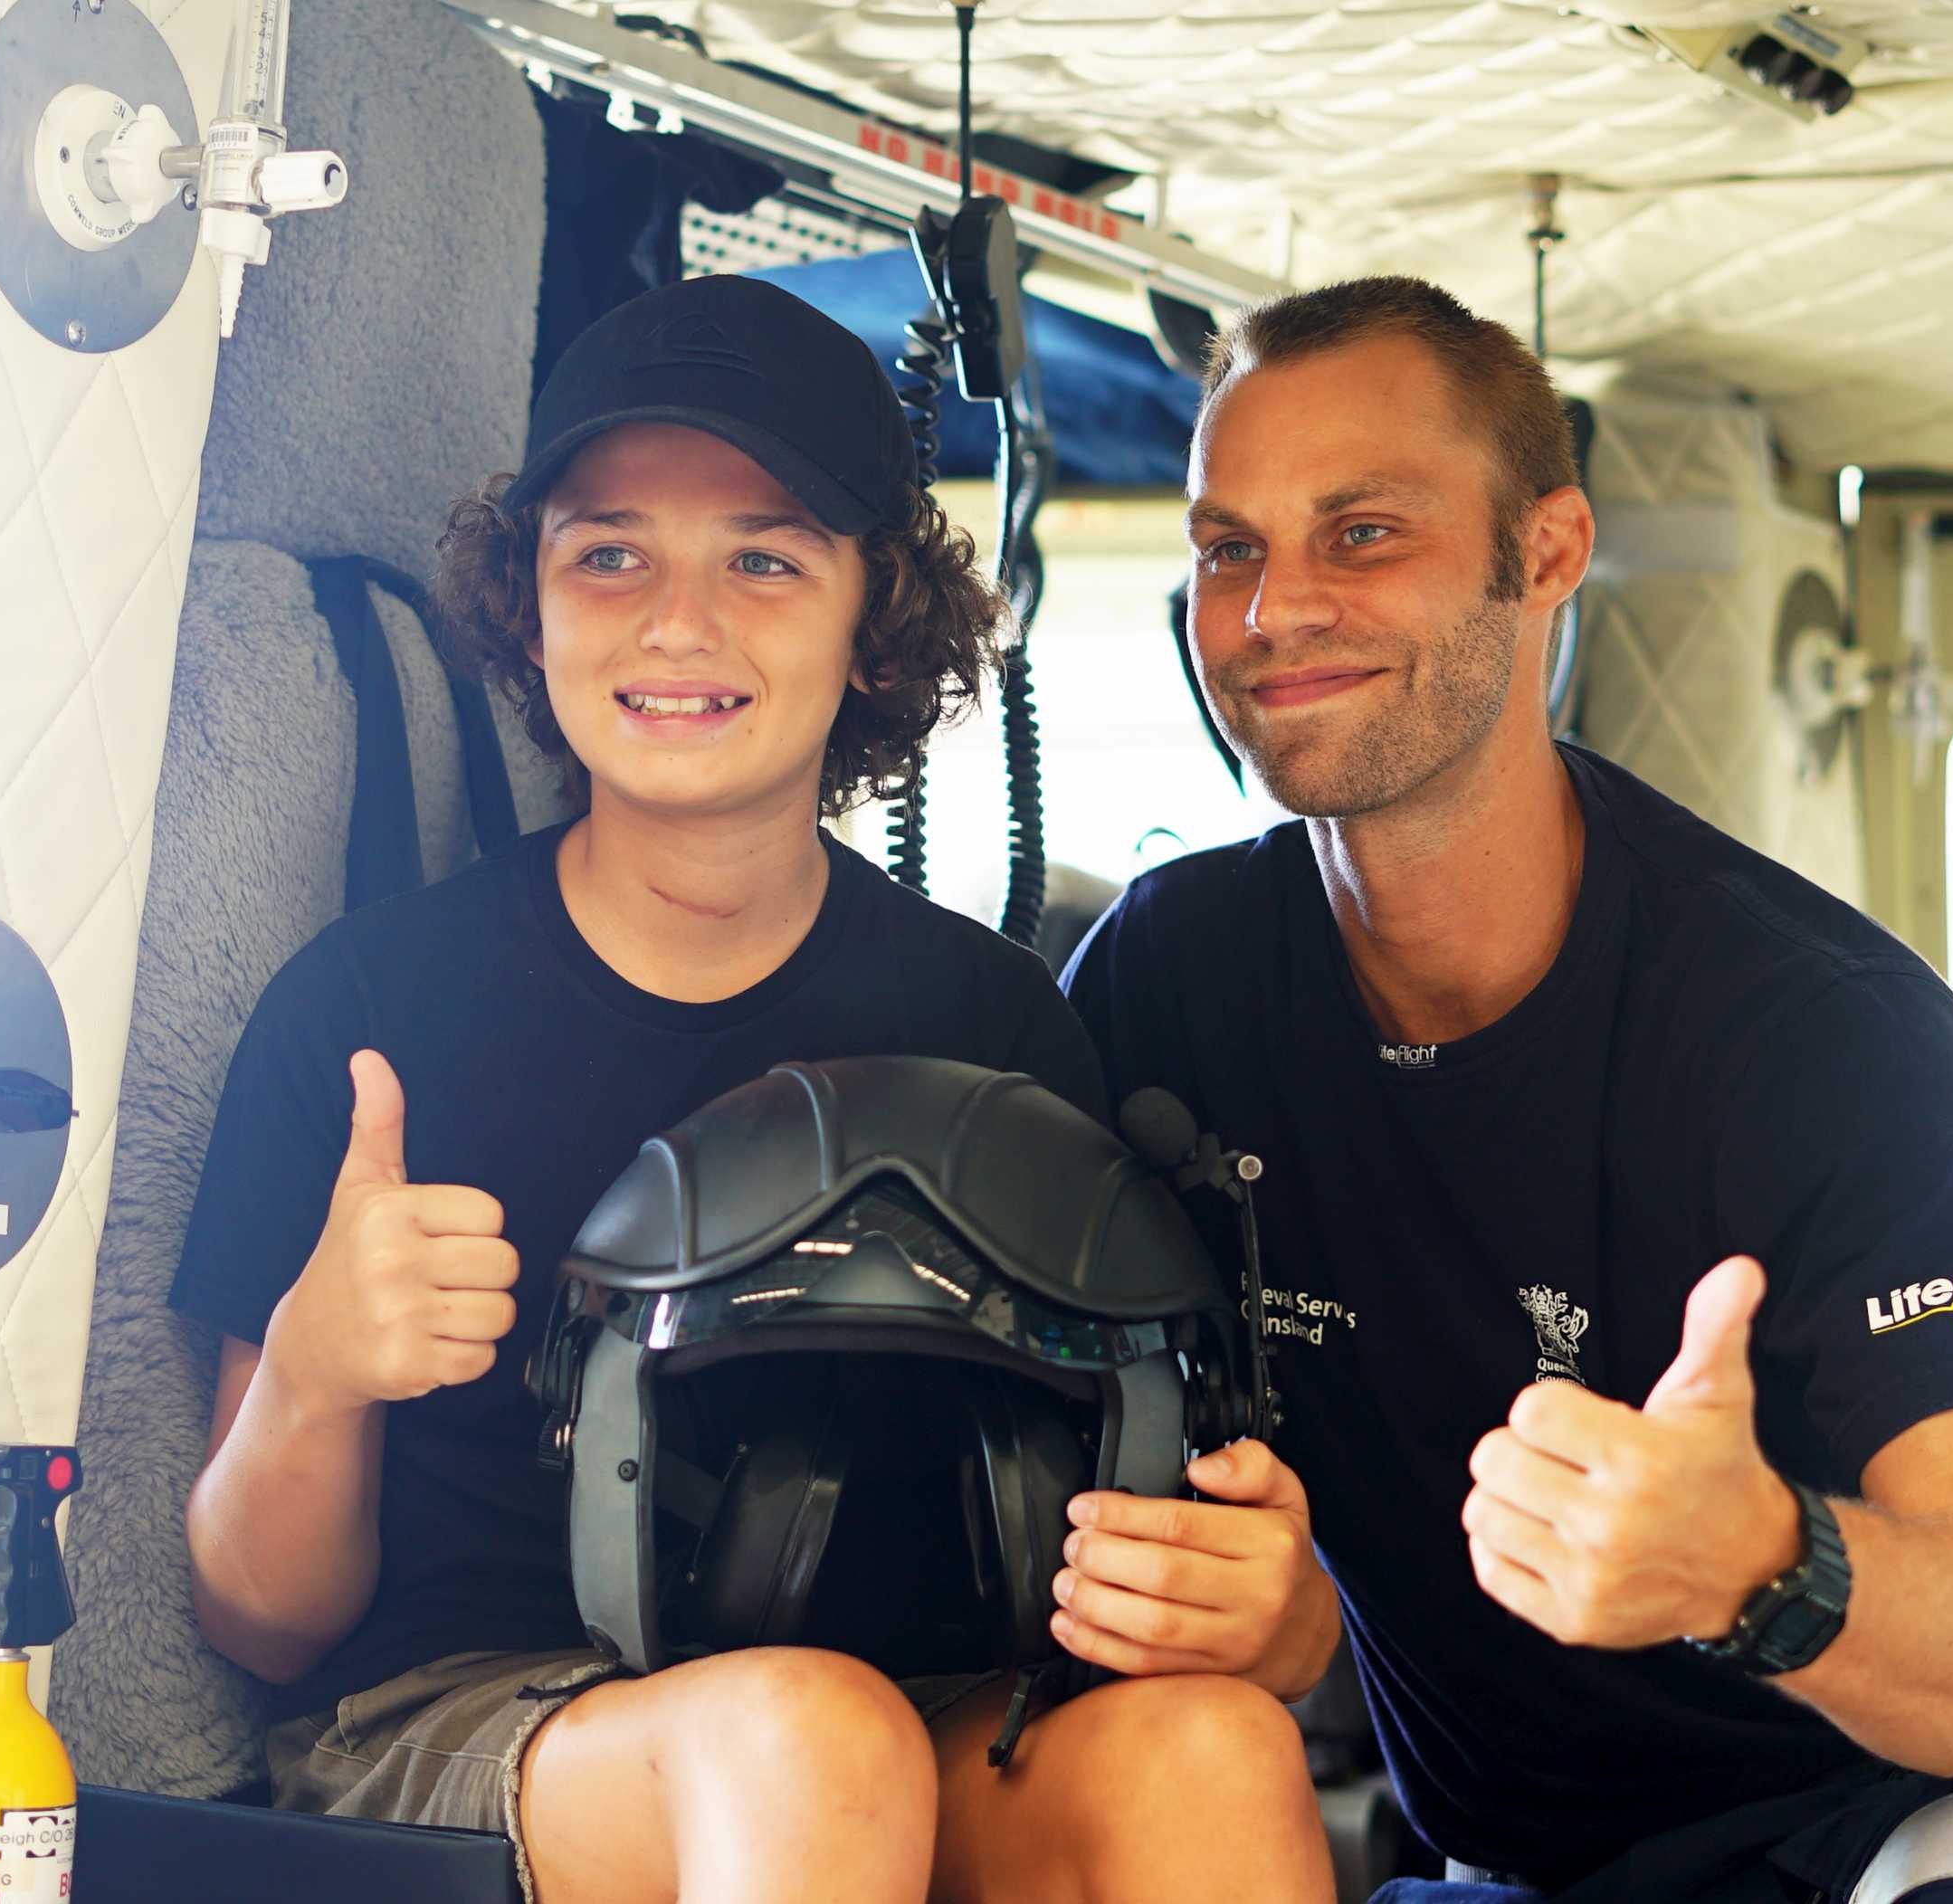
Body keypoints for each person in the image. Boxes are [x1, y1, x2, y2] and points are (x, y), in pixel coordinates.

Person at [1059, 276, 1953, 1904]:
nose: (1272, 609)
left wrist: (1760, 1564)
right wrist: (1274, 1621)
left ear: (1549, 554)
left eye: (1362, 534)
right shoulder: (1167, 981)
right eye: (1229, 549)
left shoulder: (1819, 1032)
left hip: (1906, 1831)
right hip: (1514, 1872)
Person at [175, 274, 1333, 1904]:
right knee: (806, 1738)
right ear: (529, 605)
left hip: (917, 1706)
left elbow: (1157, 1549)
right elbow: (256, 1620)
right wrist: (313, 1370)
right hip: (468, 1719)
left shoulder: (989, 1022)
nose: (677, 621)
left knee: (1209, 1750)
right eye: (610, 552)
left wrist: (1262, 1616)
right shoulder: (367, 1013)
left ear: (876, 626)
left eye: (766, 558)